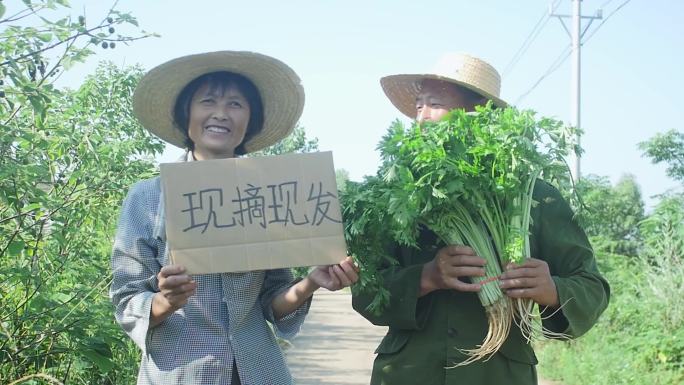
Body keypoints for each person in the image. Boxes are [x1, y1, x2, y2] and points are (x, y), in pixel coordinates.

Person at [352, 53, 610, 385]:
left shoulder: (533, 196)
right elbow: (366, 292)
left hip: (498, 373)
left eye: (436, 104)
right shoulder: (400, 194)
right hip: (411, 371)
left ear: (481, 113)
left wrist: (552, 289)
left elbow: (592, 288)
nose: (422, 118)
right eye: (419, 106)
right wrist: (427, 277)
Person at [110, 51, 359, 385]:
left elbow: (272, 300)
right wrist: (165, 301)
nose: (220, 114)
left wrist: (312, 282)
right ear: (187, 114)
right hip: (183, 373)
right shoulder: (147, 198)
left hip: (259, 371)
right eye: (208, 101)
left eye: (236, 104)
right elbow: (127, 299)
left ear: (250, 120)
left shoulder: (268, 194)